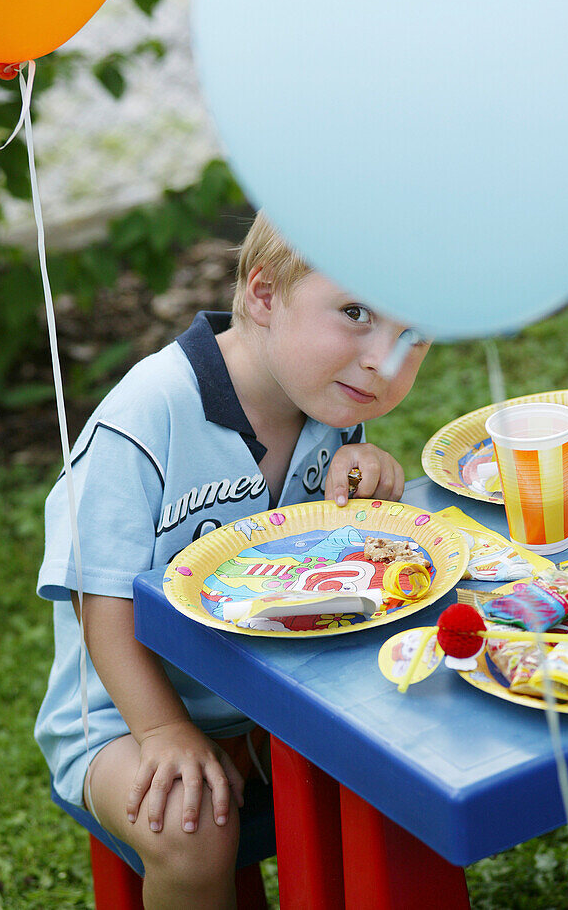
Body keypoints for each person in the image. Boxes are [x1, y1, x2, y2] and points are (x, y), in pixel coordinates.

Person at [35, 211, 430, 909]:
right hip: (120, 717)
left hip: (261, 702)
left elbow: (320, 556)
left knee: (400, 757)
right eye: (355, 313)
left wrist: (363, 468)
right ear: (263, 296)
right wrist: (163, 731)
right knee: (193, 827)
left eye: (413, 335)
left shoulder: (328, 400)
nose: (382, 359)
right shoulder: (148, 417)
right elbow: (102, 606)